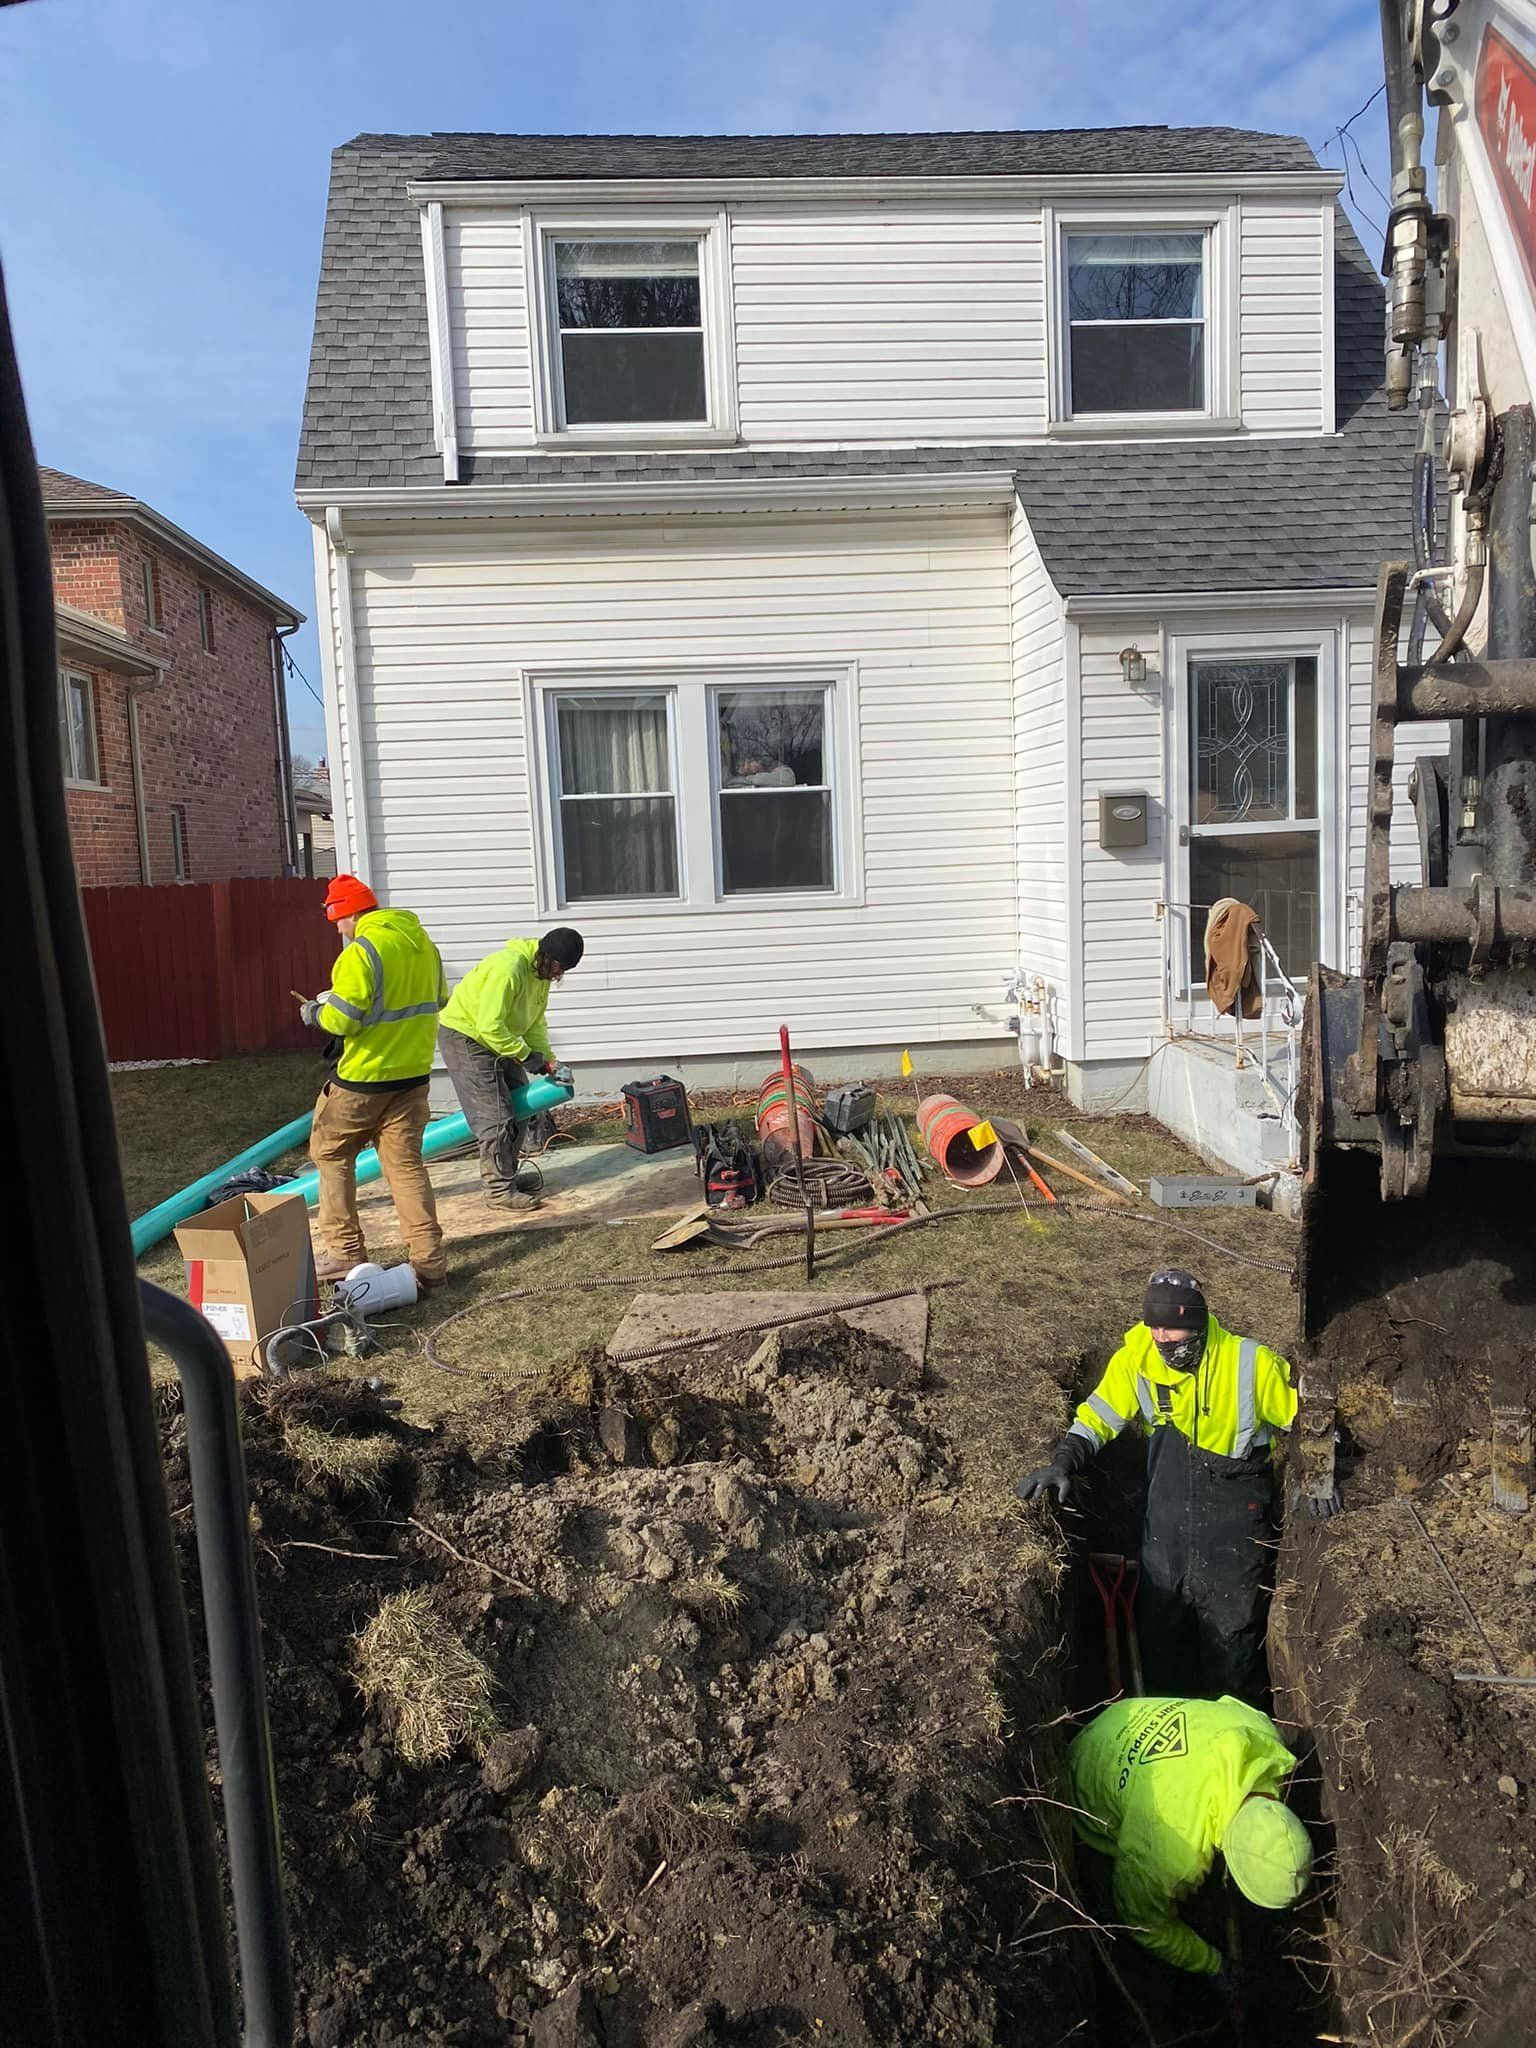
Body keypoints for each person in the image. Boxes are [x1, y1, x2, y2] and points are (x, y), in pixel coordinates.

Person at [1017, 1270, 1297, 1699]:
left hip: (1235, 1524)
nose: (1163, 1338)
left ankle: (1231, 1728)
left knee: (1233, 1634)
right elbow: (1098, 1417)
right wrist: (1063, 1461)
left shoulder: (1252, 1364)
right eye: (1155, 1327)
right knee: (1163, 1628)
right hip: (1166, 1525)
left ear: (1200, 1323)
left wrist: (1319, 1478)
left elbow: (1304, 1423)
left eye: (1173, 1327)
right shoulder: (1137, 1359)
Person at [1069, 1693, 1313, 1982]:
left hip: (1126, 1716)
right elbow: (1142, 1923)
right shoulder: (1172, 1855)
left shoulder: (1261, 1736)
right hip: (1083, 1776)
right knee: (1112, 1903)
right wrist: (1213, 1965)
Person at [297, 873, 448, 1292]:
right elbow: (437, 1001)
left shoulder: (361, 952)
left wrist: (314, 1012)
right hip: (413, 1076)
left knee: (330, 1154)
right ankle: (430, 1264)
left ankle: (344, 1252)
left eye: (337, 920)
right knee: (405, 1167)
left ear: (346, 913)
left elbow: (341, 1019)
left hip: (364, 1078)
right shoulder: (424, 946)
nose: (338, 929)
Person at [437, 929, 584, 1213]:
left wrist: (549, 1060)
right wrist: (527, 1057)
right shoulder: (509, 968)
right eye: (556, 967)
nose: (557, 975)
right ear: (545, 955)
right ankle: (497, 1190)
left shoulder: (539, 975)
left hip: (499, 1038)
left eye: (563, 970)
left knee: (522, 1108)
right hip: (466, 1037)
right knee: (497, 1117)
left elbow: (534, 1023)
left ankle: (507, 1175)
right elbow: (488, 1026)